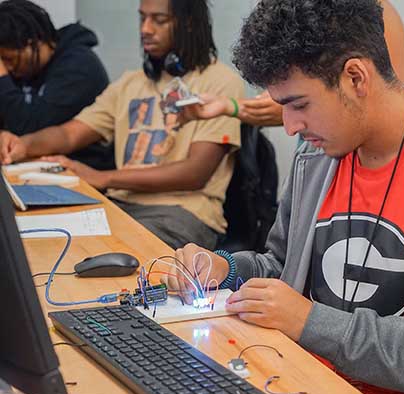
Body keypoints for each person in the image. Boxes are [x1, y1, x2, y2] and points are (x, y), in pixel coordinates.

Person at [165, 1, 404, 394]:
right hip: (301, 379)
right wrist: (226, 268)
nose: (289, 127)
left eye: (299, 105)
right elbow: (286, 269)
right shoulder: (318, 156)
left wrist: (310, 322)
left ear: (356, 77)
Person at [0, 0, 244, 251]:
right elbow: (70, 133)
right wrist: (22, 144)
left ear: (189, 24)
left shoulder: (221, 84)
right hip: (119, 206)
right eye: (142, 19)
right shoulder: (129, 83)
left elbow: (195, 173)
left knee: (104, 255)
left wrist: (102, 178)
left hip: (182, 212)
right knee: (45, 245)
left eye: (159, 20)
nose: (145, 29)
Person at [178, 0, 404, 127]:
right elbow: (293, 96)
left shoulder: (372, 15)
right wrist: (230, 106)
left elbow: (370, 104)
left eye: (298, 106)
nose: (291, 126)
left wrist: (232, 106)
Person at [0, 0, 113, 170]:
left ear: (34, 44)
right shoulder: (24, 70)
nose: (7, 68)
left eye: (10, 60)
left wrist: (2, 78)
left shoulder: (80, 67)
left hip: (81, 175)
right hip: (31, 168)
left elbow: (29, 128)